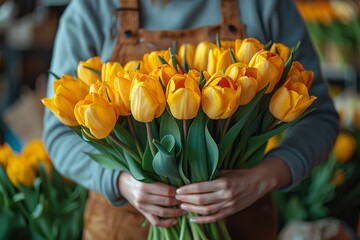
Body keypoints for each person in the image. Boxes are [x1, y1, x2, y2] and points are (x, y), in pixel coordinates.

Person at [43, 0, 339, 239]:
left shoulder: (265, 4)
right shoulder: (91, 9)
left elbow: (319, 117)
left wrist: (264, 178)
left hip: (241, 217)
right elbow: (59, 133)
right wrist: (118, 182)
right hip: (124, 224)